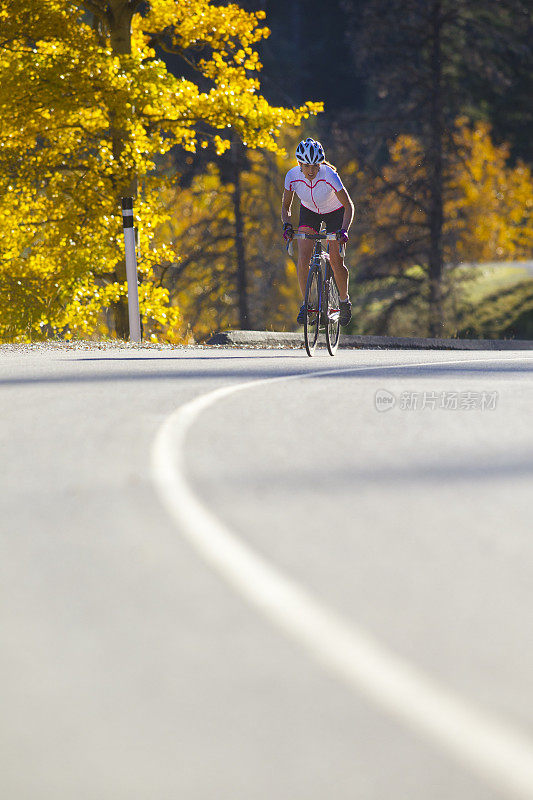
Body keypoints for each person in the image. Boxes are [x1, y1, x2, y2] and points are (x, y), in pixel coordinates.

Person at [281, 137, 354, 326]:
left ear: (320, 164)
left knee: (337, 262)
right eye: (306, 166)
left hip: (335, 213)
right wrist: (287, 225)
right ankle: (306, 305)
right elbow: (286, 207)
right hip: (309, 213)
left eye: (315, 166)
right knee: (303, 258)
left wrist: (344, 230)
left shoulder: (329, 175)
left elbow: (349, 206)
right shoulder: (292, 176)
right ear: (299, 164)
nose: (311, 171)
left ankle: (344, 301)